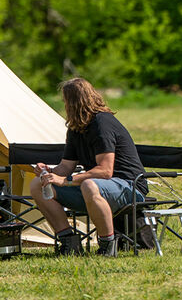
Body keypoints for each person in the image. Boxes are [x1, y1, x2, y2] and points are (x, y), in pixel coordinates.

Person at [30, 77, 147, 258]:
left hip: (129, 187)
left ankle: (108, 245)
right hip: (95, 190)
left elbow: (105, 171)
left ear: (74, 101)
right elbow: (66, 167)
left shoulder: (102, 124)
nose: (64, 105)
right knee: (37, 184)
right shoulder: (76, 128)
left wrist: (67, 181)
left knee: (89, 184)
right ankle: (69, 242)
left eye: (65, 101)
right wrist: (50, 173)